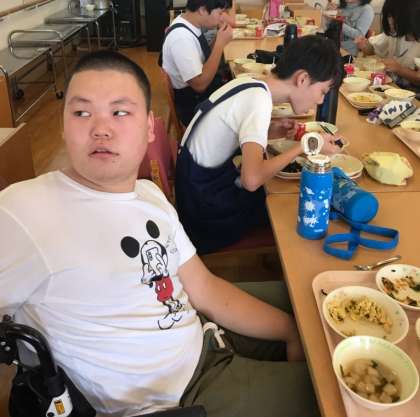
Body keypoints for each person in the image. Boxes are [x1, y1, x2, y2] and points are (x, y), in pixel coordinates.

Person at [0, 50, 320, 417]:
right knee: (334, 399)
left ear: (150, 127)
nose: (101, 128)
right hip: (178, 397)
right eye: (81, 113)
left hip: (200, 333)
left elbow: (204, 289)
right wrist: (291, 331)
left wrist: (288, 328)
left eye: (120, 112)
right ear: (63, 126)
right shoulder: (23, 212)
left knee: (313, 304)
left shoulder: (148, 195)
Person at [175, 35, 344, 254]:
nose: (320, 101)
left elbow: (232, 132)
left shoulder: (251, 83)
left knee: (279, 194)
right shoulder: (259, 101)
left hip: (195, 191)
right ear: (302, 79)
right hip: (204, 215)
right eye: (322, 91)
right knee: (288, 205)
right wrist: (304, 146)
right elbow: (251, 180)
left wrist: (274, 131)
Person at [161, 0, 233, 126]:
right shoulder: (181, 38)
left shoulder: (190, 23)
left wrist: (218, 38)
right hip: (194, 106)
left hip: (201, 96)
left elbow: (204, 57)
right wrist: (220, 45)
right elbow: (199, 85)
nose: (222, 18)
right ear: (202, 10)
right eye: (220, 13)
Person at [355, 0, 420, 91]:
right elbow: (371, 49)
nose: (390, 21)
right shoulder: (394, 34)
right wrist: (363, 45)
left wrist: (399, 69)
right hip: (391, 89)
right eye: (389, 15)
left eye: (394, 16)